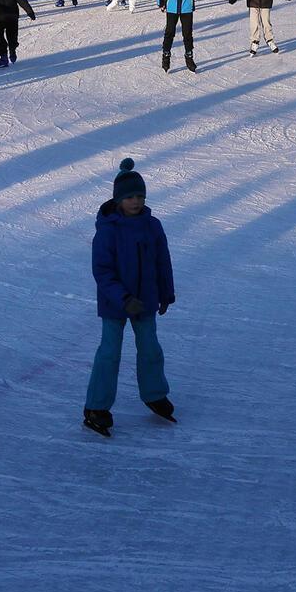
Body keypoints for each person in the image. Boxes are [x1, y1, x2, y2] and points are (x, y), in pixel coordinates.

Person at [82, 157, 177, 437]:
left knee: (150, 349)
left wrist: (166, 293)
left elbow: (162, 261)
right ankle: (96, 407)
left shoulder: (152, 225)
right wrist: (123, 298)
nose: (136, 201)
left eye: (140, 196)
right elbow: (102, 270)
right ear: (119, 199)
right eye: (130, 196)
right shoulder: (108, 230)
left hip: (146, 300)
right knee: (110, 353)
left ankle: (154, 393)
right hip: (115, 304)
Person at [156, 0, 213, 74]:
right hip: (172, 7)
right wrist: (160, 2)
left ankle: (189, 57)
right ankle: (166, 56)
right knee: (169, 32)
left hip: (186, 7)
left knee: (187, 34)